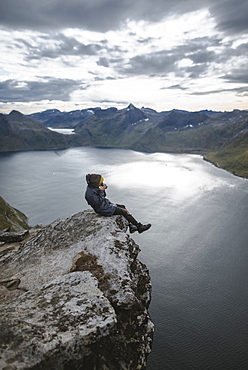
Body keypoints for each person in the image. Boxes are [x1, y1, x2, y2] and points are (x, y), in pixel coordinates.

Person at [85, 174, 151, 234]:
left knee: (122, 206)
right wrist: (101, 191)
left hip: (105, 205)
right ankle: (139, 227)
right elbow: (99, 203)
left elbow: (102, 196)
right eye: (100, 182)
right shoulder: (90, 194)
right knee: (123, 212)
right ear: (96, 182)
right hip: (103, 209)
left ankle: (132, 226)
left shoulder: (93, 187)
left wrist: (103, 189)